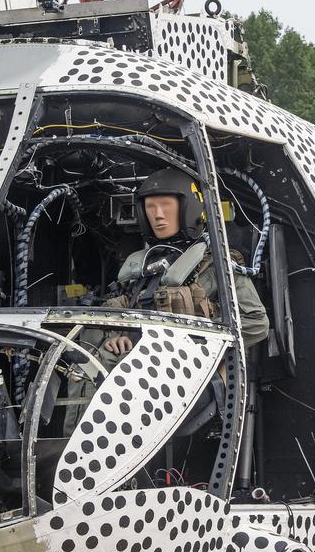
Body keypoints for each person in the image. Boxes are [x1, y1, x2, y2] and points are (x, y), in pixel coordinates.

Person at [63, 168, 269, 426]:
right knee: (85, 360)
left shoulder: (215, 266)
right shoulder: (141, 269)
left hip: (183, 379)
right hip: (135, 374)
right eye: (150, 207)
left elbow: (256, 322)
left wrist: (186, 332)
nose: (158, 215)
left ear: (189, 210)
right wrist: (114, 336)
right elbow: (116, 310)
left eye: (166, 206)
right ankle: (75, 442)